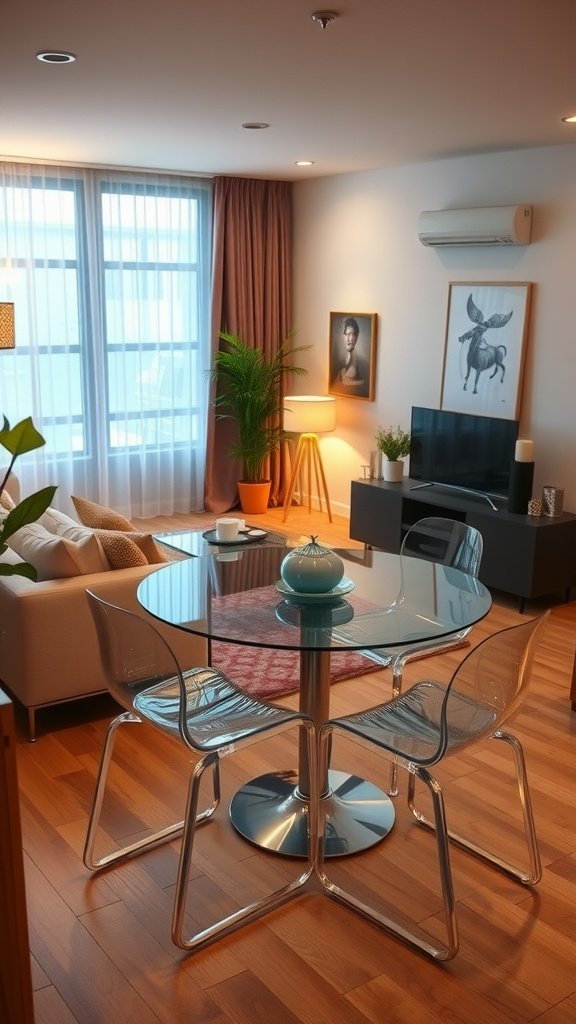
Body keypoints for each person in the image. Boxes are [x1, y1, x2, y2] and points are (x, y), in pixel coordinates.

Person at [331, 316, 368, 395]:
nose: (350, 338)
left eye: (353, 334)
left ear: (357, 337)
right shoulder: (338, 359)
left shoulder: (362, 362)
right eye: (347, 334)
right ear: (343, 336)